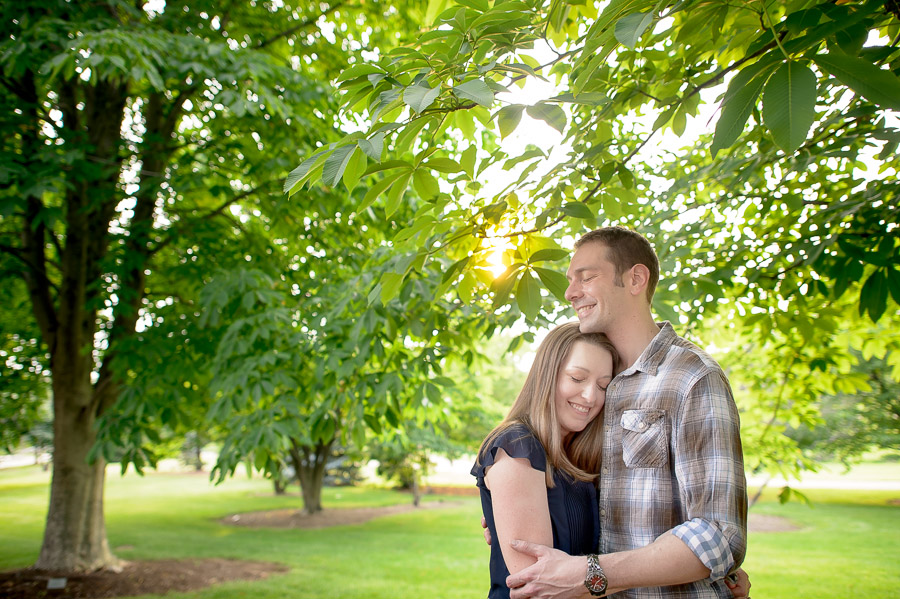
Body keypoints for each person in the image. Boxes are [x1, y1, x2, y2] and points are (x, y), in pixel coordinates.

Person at [503, 226, 749, 599]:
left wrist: (592, 575)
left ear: (635, 279)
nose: (569, 292)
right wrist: (506, 511)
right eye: (570, 281)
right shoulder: (593, 387)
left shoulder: (692, 377)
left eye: (586, 277)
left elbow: (718, 534)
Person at [471, 322, 620, 599]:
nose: (591, 396)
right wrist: (649, 575)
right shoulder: (518, 446)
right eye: (577, 378)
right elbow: (538, 586)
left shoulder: (575, 454)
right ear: (546, 375)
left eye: (603, 385)